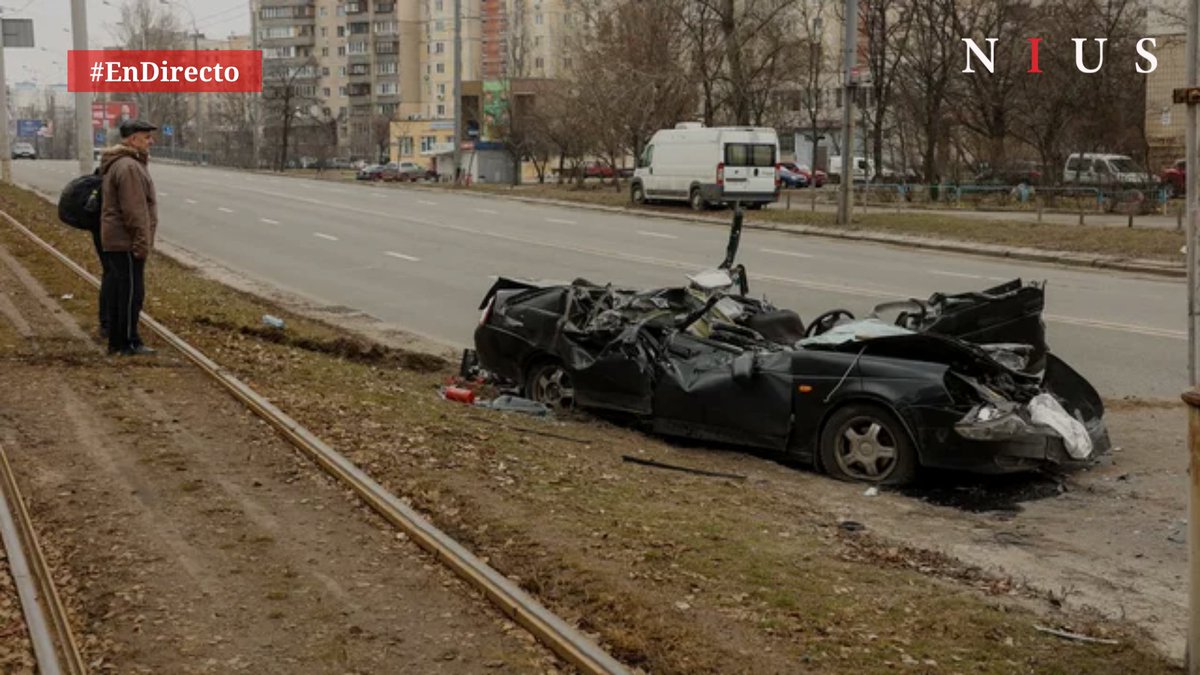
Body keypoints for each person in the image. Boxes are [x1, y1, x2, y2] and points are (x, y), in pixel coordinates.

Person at [99, 119, 158, 356]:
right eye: (146, 137)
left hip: (118, 239)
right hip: (126, 242)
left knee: (120, 291)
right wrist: (142, 243)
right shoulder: (129, 167)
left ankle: (118, 340)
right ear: (133, 139)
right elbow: (135, 210)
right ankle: (127, 342)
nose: (151, 141)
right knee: (131, 293)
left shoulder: (124, 163)